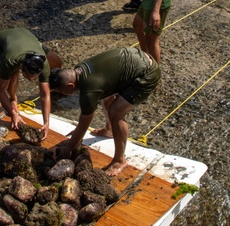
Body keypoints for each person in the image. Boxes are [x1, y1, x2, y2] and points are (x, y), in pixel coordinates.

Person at [50, 46, 161, 176]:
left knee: (116, 113)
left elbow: (84, 122)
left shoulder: (89, 90)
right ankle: (109, 130)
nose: (64, 95)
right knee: (105, 96)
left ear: (70, 86)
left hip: (147, 73)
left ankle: (119, 161)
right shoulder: (79, 69)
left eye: (62, 92)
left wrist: (68, 147)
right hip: (136, 58)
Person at [0, 28, 63, 140]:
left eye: (34, 78)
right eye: (27, 77)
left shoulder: (44, 65)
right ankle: (13, 98)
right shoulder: (11, 60)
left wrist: (47, 122)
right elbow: (0, 90)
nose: (30, 80)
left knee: (57, 62)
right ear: (22, 68)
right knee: (12, 73)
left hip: (27, 37)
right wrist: (12, 113)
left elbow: (45, 95)